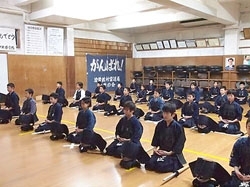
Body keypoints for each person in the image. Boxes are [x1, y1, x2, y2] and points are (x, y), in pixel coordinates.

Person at [106, 101, 150, 169]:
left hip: (130, 142)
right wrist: (117, 136)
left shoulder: (136, 122)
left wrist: (127, 140)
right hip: (121, 140)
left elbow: (137, 135)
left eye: (127, 110)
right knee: (109, 149)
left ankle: (132, 158)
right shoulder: (123, 119)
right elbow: (118, 129)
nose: (125, 111)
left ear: (132, 111)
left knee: (119, 151)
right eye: (124, 109)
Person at [145, 102, 186, 173]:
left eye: (167, 113)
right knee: (149, 164)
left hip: (172, 153)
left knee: (161, 167)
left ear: (173, 114)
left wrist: (169, 153)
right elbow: (156, 138)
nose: (164, 115)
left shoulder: (178, 127)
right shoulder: (160, 124)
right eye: (164, 113)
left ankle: (174, 163)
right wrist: (155, 149)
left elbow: (180, 142)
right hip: (161, 151)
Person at [223, 118, 250, 186]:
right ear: (246, 128)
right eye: (249, 127)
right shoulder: (240, 143)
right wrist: (238, 172)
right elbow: (235, 161)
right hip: (241, 174)